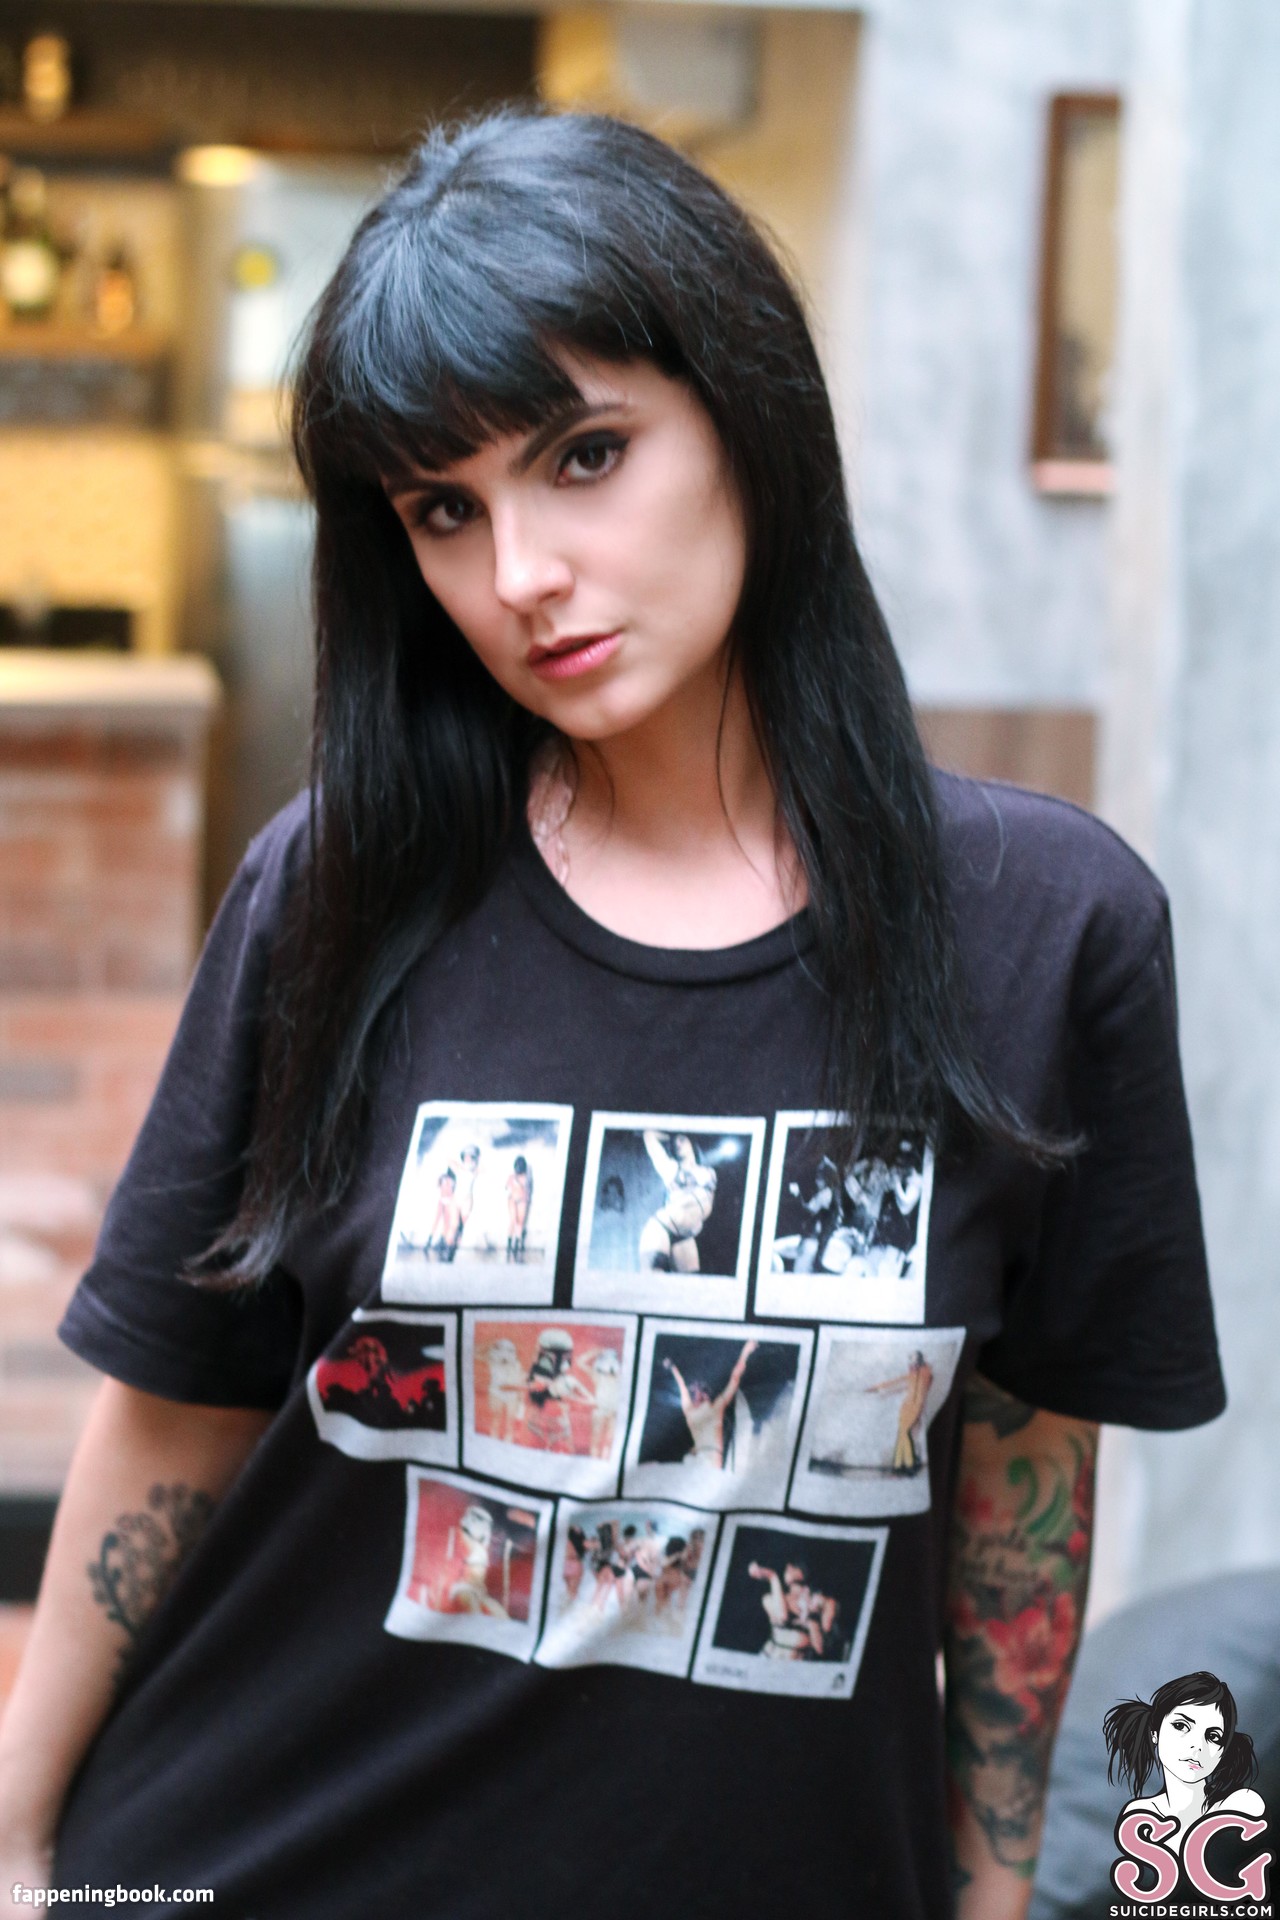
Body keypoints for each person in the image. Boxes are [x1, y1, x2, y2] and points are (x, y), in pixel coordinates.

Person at [0, 109, 1224, 1920]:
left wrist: (985, 1900)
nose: (519, 576)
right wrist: (17, 1837)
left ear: (746, 411)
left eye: (585, 457)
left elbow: (1024, 1482)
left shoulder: (1045, 933)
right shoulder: (338, 892)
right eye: (444, 510)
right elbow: (181, 1406)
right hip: (257, 1860)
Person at [1104, 1671, 1263, 1852]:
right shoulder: (1139, 1815)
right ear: (1154, 1733)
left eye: (1213, 1736)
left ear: (1223, 1751)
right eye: (1181, 1726)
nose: (1198, 1746)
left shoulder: (1241, 1805)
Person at [663, 1338, 757, 1470]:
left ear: (708, 1397)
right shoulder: (694, 1410)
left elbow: (735, 1379)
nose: (699, 1394)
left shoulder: (715, 1409)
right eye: (697, 1393)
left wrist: (745, 1352)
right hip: (701, 1458)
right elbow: (682, 1386)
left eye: (702, 1392)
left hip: (711, 1459)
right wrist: (673, 1367)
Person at [638, 1130, 717, 1270]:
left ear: (691, 1142)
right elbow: (648, 1134)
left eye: (682, 1140)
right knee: (654, 1279)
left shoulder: (709, 1173)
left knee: (690, 1283)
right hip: (661, 1228)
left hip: (685, 1236)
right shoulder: (671, 1168)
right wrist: (672, 1135)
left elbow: (708, 1204)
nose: (677, 1144)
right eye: (674, 1143)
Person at [865, 1349, 935, 1474]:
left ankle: (907, 1464)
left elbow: (921, 1388)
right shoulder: (912, 1375)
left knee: (904, 1434)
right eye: (911, 1362)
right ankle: (899, 1466)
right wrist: (876, 1388)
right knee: (902, 1435)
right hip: (906, 1407)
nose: (911, 1365)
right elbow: (896, 1382)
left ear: (919, 1362)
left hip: (915, 1408)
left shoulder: (925, 1374)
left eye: (913, 1362)